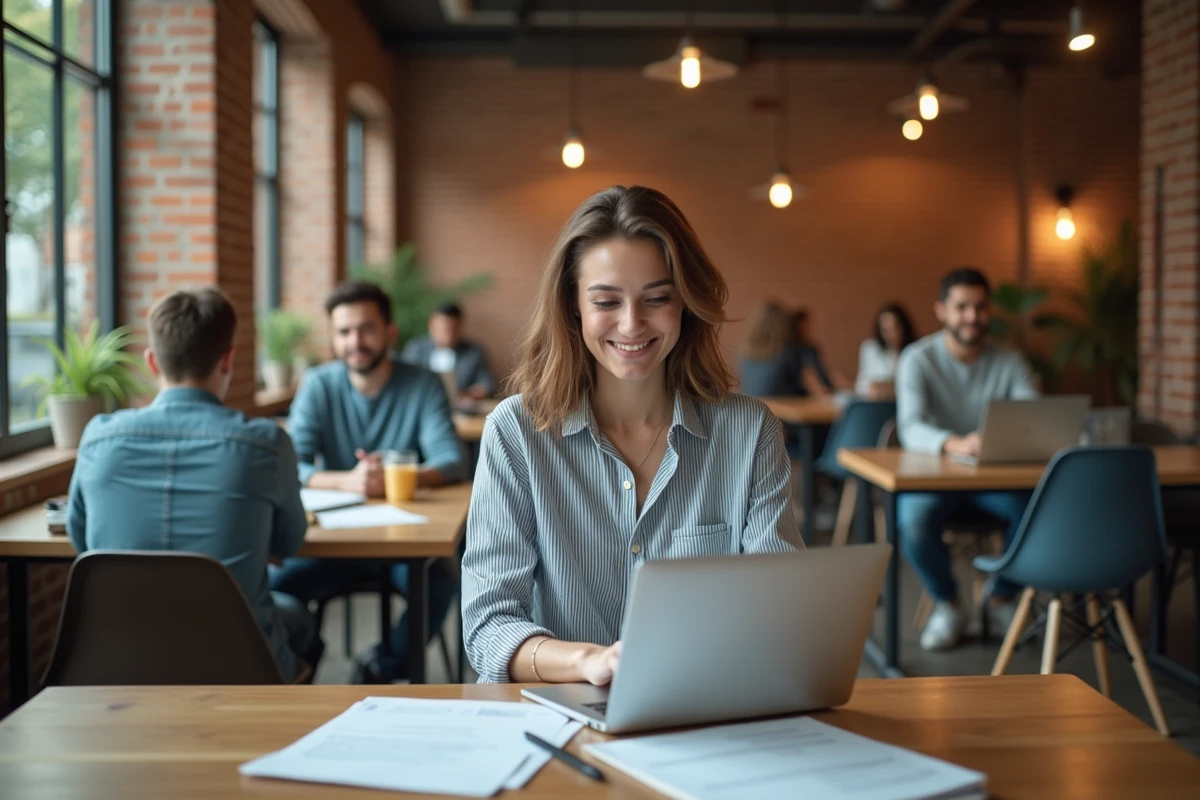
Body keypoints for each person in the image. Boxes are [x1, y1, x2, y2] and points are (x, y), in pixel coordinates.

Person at [461, 185, 801, 685]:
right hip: (559, 709)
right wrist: (587, 663)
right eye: (606, 301)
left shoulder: (750, 434)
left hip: (702, 703)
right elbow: (488, 627)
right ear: (573, 306)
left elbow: (780, 611)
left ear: (685, 303)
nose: (631, 324)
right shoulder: (516, 433)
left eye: (657, 298)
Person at [67, 287, 322, 682]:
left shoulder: (97, 438)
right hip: (239, 665)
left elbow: (83, 542)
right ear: (228, 359)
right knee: (299, 622)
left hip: (118, 663)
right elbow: (288, 543)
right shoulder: (267, 444)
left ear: (152, 361)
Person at [270, 280, 465, 682]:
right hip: (334, 543)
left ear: (390, 332)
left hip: (406, 543)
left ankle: (380, 668)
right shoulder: (319, 384)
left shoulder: (423, 383)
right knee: (276, 584)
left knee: (440, 581)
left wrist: (397, 478)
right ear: (332, 337)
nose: (355, 341)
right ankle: (305, 660)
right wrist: (348, 482)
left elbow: (451, 459)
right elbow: (290, 463)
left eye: (366, 329)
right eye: (344, 332)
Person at [895, 267, 1037, 651]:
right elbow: (910, 427)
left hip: (994, 480)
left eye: (980, 307)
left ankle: (1001, 598)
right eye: (962, 307)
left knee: (1037, 511)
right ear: (941, 310)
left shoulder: (1009, 361)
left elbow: (1032, 416)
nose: (972, 316)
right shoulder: (917, 359)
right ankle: (948, 603)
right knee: (913, 520)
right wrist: (956, 443)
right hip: (931, 478)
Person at [401, 302, 496, 402]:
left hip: (460, 407)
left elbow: (487, 384)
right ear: (431, 326)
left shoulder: (473, 352)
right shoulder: (416, 349)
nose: (449, 336)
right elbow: (405, 380)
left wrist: (471, 394)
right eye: (444, 330)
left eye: (454, 330)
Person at [738, 302, 808, 398]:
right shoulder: (788, 351)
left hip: (751, 403)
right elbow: (800, 385)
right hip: (780, 404)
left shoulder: (745, 352)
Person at [855, 303, 917, 400]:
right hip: (879, 403)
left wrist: (892, 387)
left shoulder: (915, 350)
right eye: (886, 330)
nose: (892, 334)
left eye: (895, 327)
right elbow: (860, 386)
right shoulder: (871, 349)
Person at [792, 309, 851, 396]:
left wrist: (838, 380)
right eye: (804, 324)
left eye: (809, 324)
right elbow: (807, 378)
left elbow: (824, 370)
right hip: (811, 395)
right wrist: (823, 393)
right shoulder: (792, 351)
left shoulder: (812, 348)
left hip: (827, 390)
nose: (808, 327)